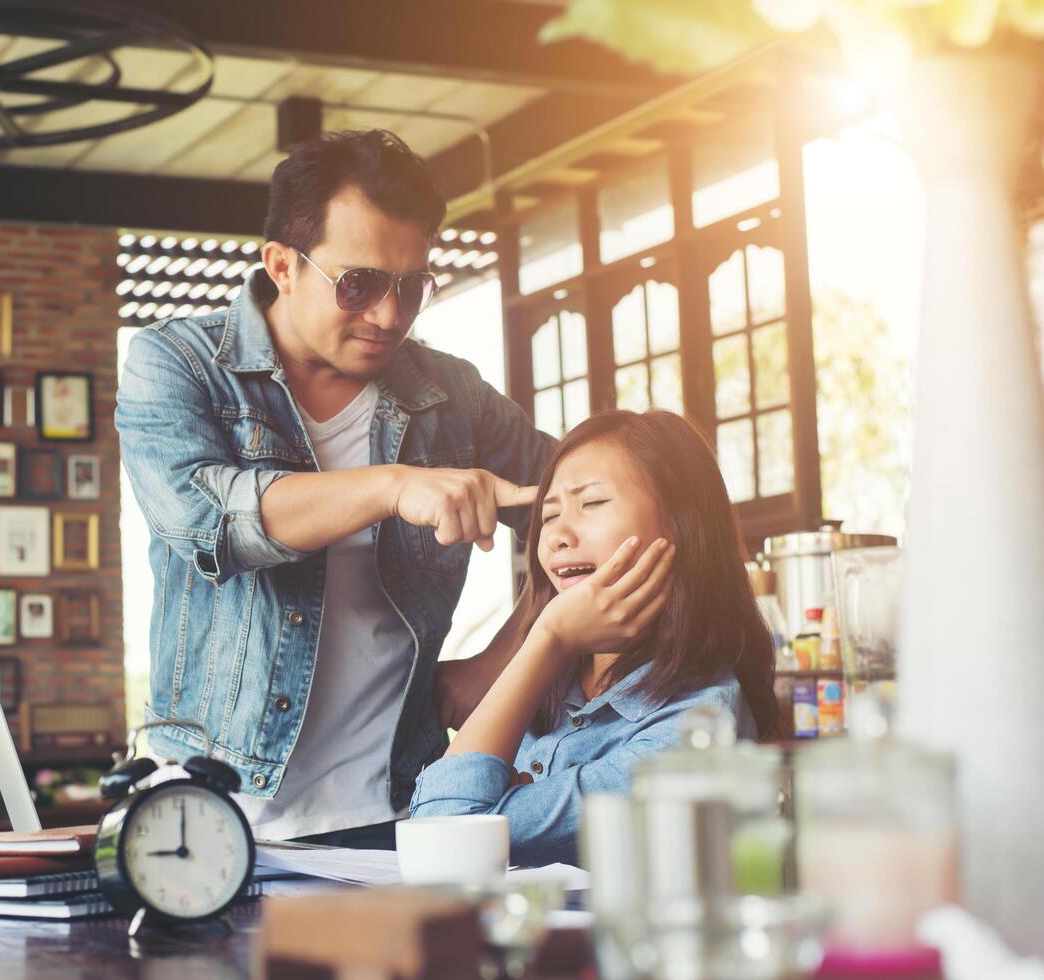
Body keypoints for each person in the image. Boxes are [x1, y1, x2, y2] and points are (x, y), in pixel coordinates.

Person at [115, 130, 611, 848]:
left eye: (411, 287)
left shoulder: (454, 395)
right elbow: (205, 520)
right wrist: (392, 487)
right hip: (208, 817)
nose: (387, 314)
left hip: (399, 810)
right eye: (359, 283)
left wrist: (506, 658)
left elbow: (577, 511)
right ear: (282, 265)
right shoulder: (178, 363)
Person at [409, 410, 780, 866]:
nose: (559, 536)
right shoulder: (552, 683)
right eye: (549, 515)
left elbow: (444, 836)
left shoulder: (695, 728)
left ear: (683, 524)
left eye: (593, 504)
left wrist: (549, 635)